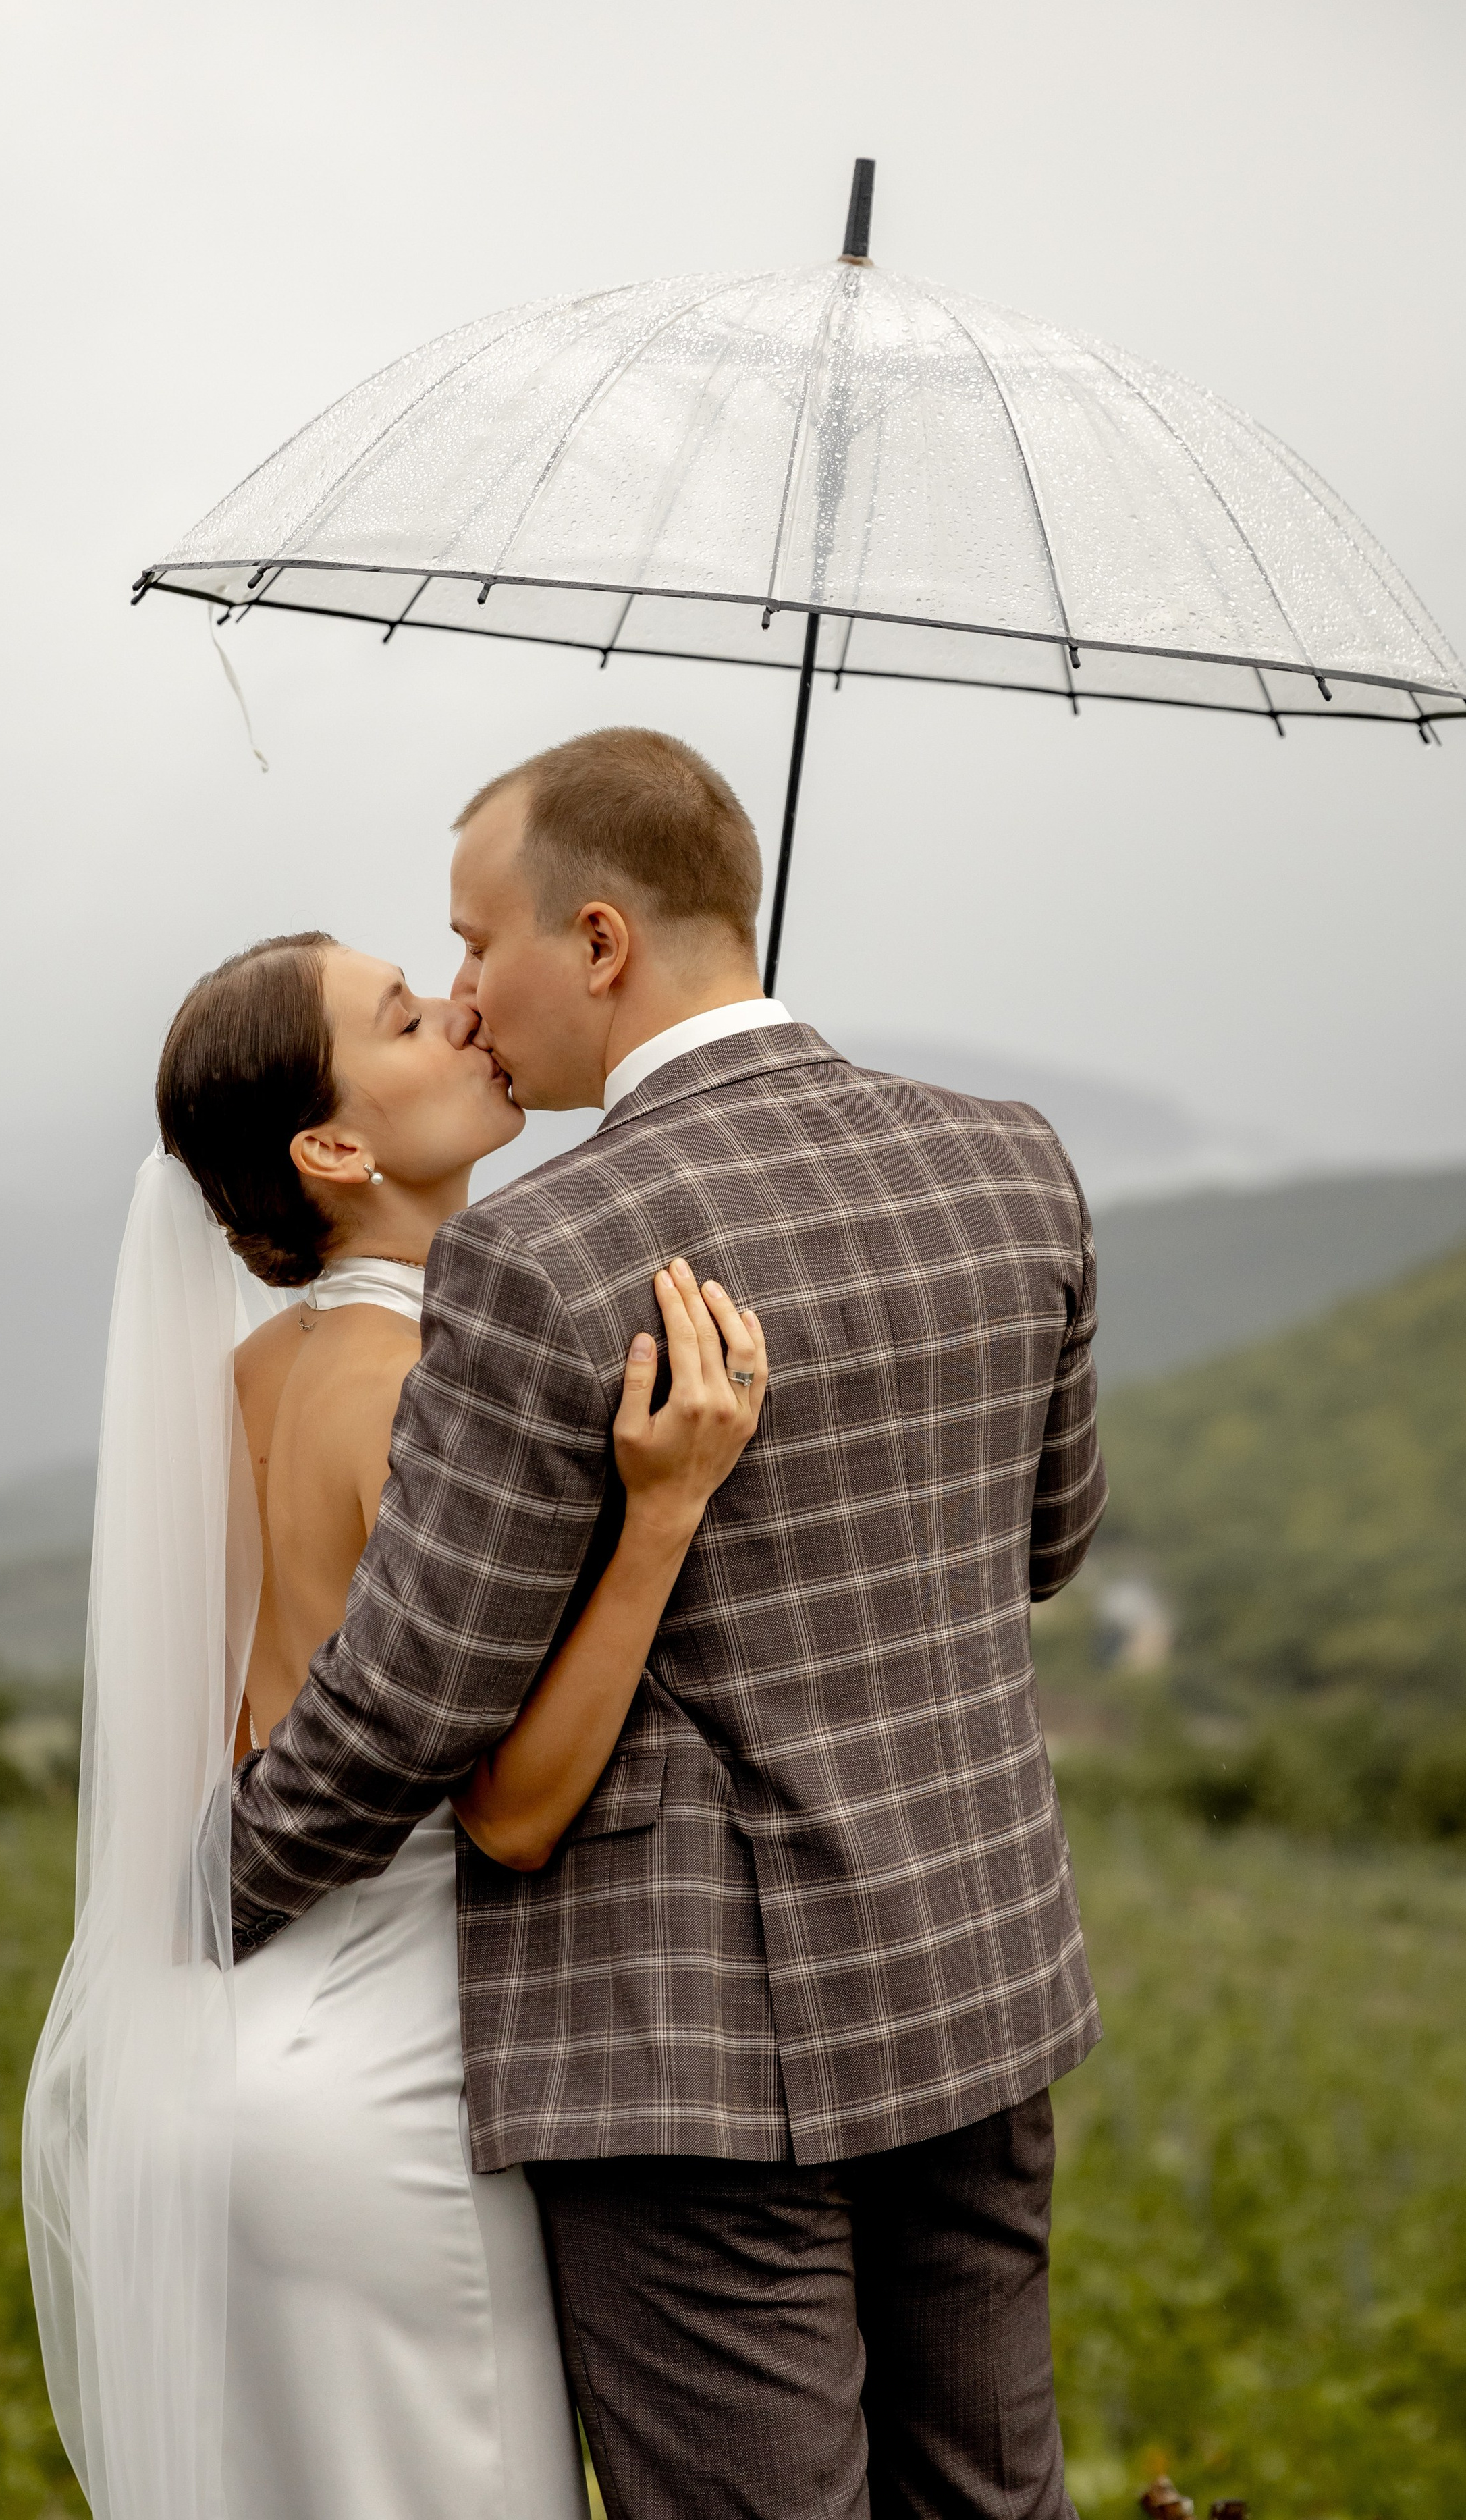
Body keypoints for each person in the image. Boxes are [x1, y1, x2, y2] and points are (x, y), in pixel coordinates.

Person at [230, 725, 1109, 2520]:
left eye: (480, 942)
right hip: (983, 1977)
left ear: (604, 943)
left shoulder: (547, 1255)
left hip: (699, 2054)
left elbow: (409, 1704)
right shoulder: (1014, 1164)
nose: (467, 992)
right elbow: (1046, 1540)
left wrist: (209, 1895)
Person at [22, 927, 769, 2520]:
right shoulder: (435, 1386)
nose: (467, 1013)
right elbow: (512, 1803)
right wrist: (661, 1511)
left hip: (208, 2073)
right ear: (337, 1148)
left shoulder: (241, 1379)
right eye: (408, 1016)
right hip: (391, 2099)